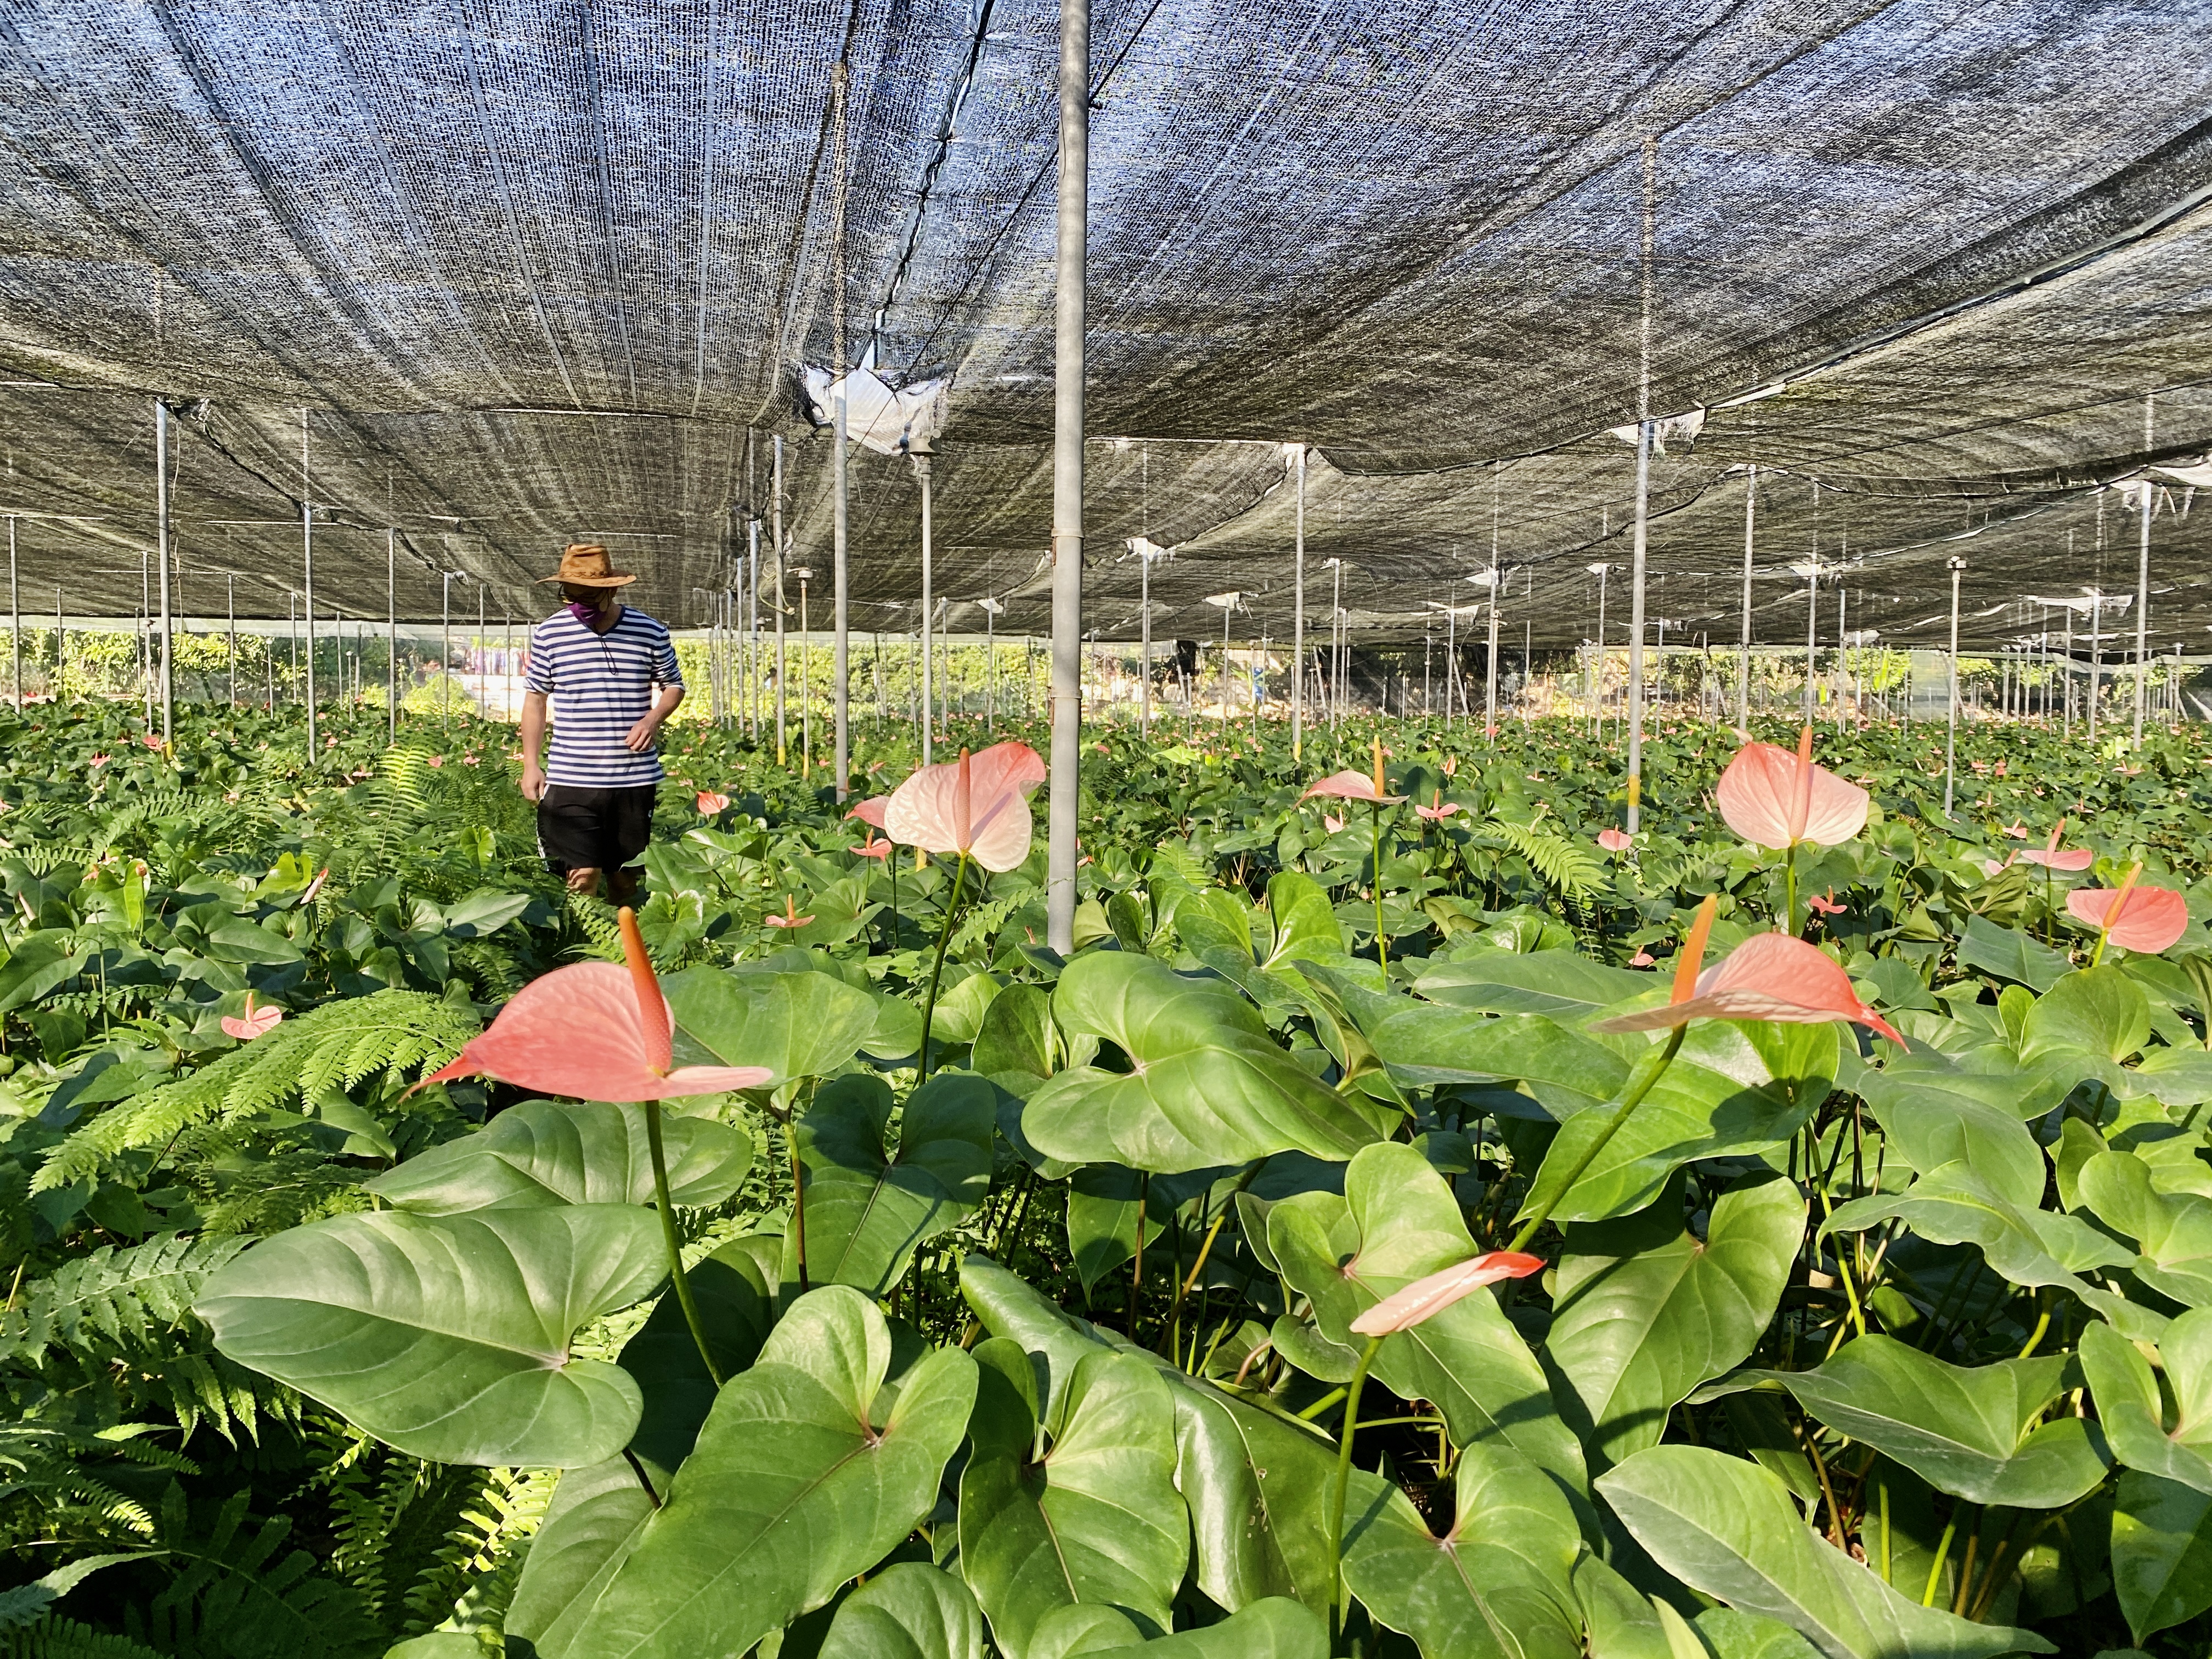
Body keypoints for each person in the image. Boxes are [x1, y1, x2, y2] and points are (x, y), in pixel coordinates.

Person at [518, 544, 684, 904]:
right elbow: (535, 699)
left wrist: (654, 718)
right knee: (582, 876)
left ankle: (621, 953)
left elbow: (674, 685)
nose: (580, 606)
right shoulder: (550, 634)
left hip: (632, 780)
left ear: (611, 589)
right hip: (571, 778)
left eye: (589, 597)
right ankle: (584, 952)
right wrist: (531, 764)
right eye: (572, 596)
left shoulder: (649, 631)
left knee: (625, 881)